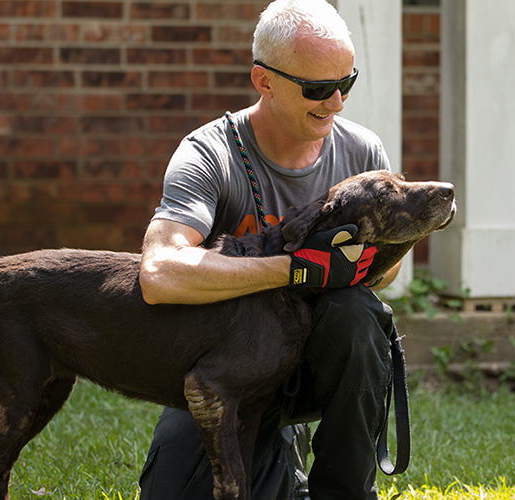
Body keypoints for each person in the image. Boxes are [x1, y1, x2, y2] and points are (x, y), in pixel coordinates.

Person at [136, 0, 401, 498]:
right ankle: (276, 446)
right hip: (227, 370)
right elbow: (159, 273)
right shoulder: (209, 154)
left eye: (347, 83)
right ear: (264, 80)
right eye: (319, 89)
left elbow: (379, 278)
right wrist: (298, 270)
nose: (337, 103)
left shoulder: (362, 152)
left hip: (318, 365)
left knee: (358, 313)